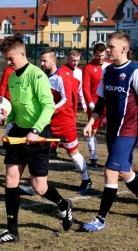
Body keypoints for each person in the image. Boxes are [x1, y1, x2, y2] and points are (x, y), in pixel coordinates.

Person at [0, 36, 73, 244]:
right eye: (6, 59)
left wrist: (35, 130)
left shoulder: (37, 76)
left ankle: (63, 205)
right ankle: (12, 231)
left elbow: (48, 106)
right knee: (11, 178)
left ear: (22, 54)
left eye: (10, 58)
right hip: (18, 133)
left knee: (39, 187)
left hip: (38, 133)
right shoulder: (11, 77)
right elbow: (16, 109)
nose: (8, 63)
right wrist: (6, 120)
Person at [82, 31, 138, 232]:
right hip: (112, 130)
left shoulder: (136, 72)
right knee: (123, 171)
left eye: (111, 46)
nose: (108, 50)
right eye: (107, 46)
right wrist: (90, 123)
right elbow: (101, 102)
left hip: (128, 131)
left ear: (124, 49)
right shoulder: (108, 71)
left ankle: (100, 219)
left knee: (110, 171)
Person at [40, 48, 92, 194]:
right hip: (48, 122)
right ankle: (38, 182)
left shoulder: (62, 76)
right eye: (41, 60)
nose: (42, 63)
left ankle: (86, 179)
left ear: (53, 61)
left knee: (73, 153)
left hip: (65, 122)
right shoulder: (41, 76)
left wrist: (48, 111)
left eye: (45, 61)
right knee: (41, 151)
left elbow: (66, 102)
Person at [82, 43, 112, 168]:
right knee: (93, 130)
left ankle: (112, 157)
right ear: (93, 54)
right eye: (97, 55)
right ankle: (93, 158)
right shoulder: (88, 67)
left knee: (110, 130)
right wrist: (90, 103)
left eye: (102, 55)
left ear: (105, 53)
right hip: (94, 104)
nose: (100, 57)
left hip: (109, 103)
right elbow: (85, 87)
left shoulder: (110, 65)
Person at [0, 66, 14, 136]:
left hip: (21, 101)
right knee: (10, 121)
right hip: (9, 101)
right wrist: (1, 100)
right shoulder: (8, 71)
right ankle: (7, 136)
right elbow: (3, 85)